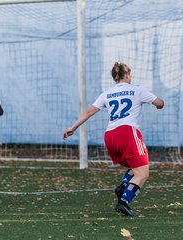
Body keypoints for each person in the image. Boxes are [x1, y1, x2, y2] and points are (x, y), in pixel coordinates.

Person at [63, 62, 164, 217]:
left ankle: (123, 185)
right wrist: (157, 105)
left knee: (135, 167)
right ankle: (124, 201)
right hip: (128, 133)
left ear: (115, 77)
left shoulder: (107, 93)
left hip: (110, 136)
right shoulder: (137, 90)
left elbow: (90, 111)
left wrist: (73, 127)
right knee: (143, 174)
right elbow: (160, 103)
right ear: (128, 75)